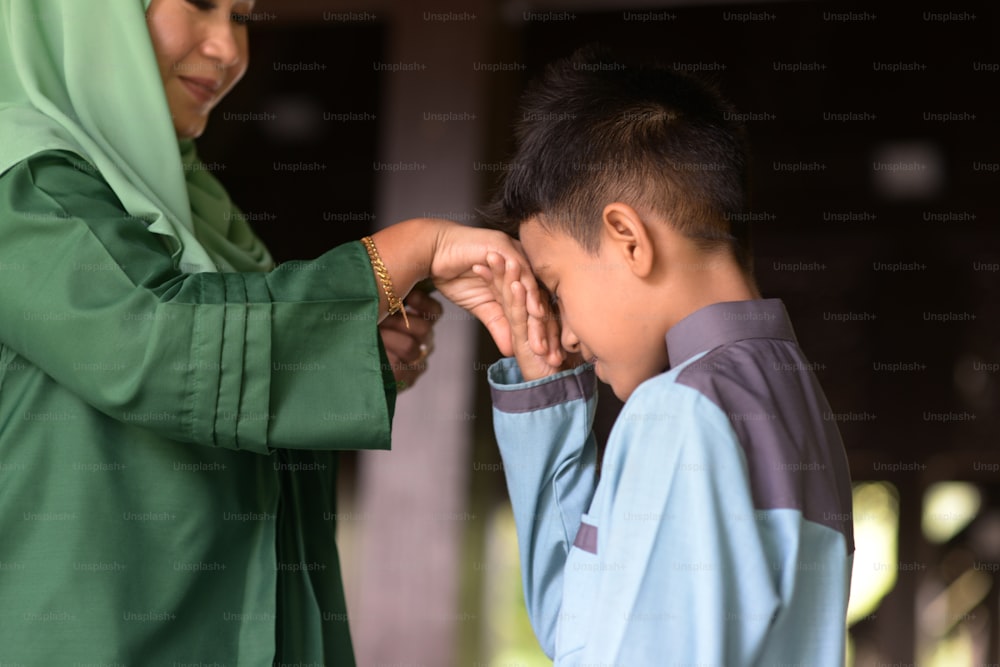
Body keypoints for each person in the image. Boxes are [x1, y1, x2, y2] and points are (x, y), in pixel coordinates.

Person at [0, 0, 550, 664]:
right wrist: (400, 255)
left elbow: (208, 365)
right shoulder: (20, 183)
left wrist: (345, 346)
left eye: (243, 17)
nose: (229, 48)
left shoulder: (190, 209)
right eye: (202, 4)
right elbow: (154, 343)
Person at [478, 45, 855, 666]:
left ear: (628, 239)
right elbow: (582, 633)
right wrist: (544, 396)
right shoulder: (794, 406)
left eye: (555, 287)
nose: (564, 333)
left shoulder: (679, 410)